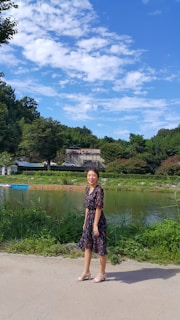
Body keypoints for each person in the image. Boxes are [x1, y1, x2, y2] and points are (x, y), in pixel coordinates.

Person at [77, 168, 107, 283]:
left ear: (97, 177)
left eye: (93, 175)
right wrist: (85, 223)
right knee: (87, 246)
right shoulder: (88, 190)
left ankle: (102, 273)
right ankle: (86, 272)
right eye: (89, 175)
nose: (91, 178)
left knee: (101, 247)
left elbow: (98, 207)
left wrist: (95, 225)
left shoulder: (99, 190)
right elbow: (87, 208)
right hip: (89, 220)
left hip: (98, 221)